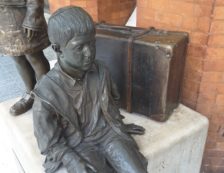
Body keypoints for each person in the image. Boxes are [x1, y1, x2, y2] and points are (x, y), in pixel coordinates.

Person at [32, 6, 148, 173]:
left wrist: (118, 124)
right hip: (77, 144)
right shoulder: (46, 94)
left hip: (108, 135)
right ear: (57, 49)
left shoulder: (101, 70)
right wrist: (71, 160)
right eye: (80, 47)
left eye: (92, 44)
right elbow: (49, 144)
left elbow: (112, 101)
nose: (89, 53)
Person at [0, 0, 50, 115]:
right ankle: (30, 93)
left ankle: (47, 97)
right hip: (3, 18)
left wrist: (33, 16)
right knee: (16, 57)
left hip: (23, 13)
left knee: (34, 56)